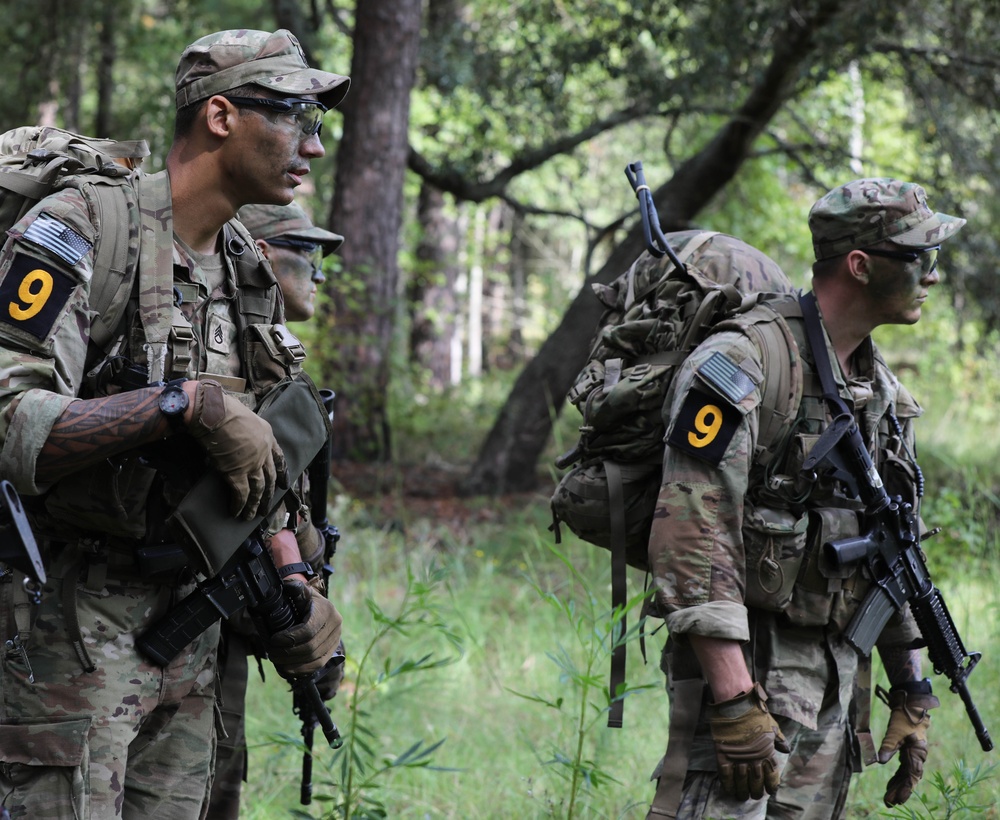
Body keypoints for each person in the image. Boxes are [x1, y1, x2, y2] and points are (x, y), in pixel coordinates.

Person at [0, 29, 350, 819]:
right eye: (297, 117)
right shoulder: (84, 228)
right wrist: (182, 405)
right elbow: (8, 415)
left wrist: (295, 579)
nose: (314, 147)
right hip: (70, 638)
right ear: (221, 116)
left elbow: (264, 457)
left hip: (194, 646)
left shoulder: (247, 267)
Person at [645, 178, 965, 819]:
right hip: (751, 676)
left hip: (835, 684)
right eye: (920, 257)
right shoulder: (746, 362)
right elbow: (690, 533)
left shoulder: (879, 392)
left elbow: (890, 553)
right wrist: (734, 701)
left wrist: (910, 685)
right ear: (860, 265)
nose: (933, 276)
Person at [208, 201, 345, 818]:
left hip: (231, 612)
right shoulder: (220, 358)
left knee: (219, 783)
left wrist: (309, 584)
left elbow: (289, 504)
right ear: (259, 256)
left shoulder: (276, 360)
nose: (319, 273)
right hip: (177, 602)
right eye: (306, 254)